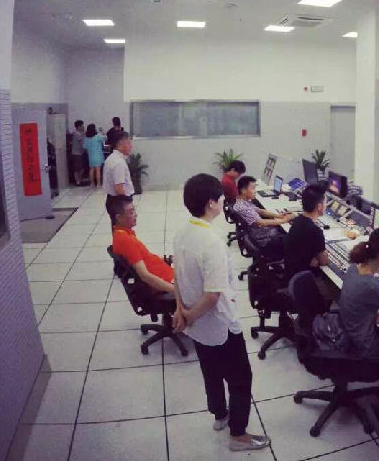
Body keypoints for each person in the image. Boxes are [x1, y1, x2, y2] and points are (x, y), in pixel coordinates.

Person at [172, 174, 270, 452]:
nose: (224, 202)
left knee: (211, 372)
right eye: (220, 198)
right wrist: (188, 316)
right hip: (219, 325)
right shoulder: (211, 242)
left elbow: (176, 277)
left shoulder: (182, 234)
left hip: (197, 325)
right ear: (210, 203)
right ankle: (238, 435)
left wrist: (181, 311)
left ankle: (220, 415)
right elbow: (213, 295)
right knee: (241, 379)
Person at [337, 227, 379, 359]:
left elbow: (360, 302)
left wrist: (372, 315)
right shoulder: (370, 285)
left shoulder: (354, 268)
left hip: (349, 332)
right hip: (365, 347)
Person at [110, 195, 174, 294]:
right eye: (131, 212)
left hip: (166, 273)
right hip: (168, 280)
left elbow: (145, 259)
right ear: (119, 218)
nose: (136, 215)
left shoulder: (121, 234)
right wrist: (175, 290)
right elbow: (145, 276)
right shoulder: (126, 240)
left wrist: (169, 259)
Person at [233, 176, 296, 259]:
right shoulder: (243, 208)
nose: (255, 191)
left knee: (285, 229)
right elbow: (261, 222)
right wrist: (285, 220)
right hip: (264, 239)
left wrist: (279, 216)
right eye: (253, 188)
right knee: (294, 237)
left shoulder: (243, 202)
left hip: (258, 234)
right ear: (243, 190)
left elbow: (260, 211)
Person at [284, 183, 328, 280]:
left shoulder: (297, 220)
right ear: (319, 206)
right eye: (325, 203)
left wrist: (315, 257)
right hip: (302, 278)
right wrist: (317, 257)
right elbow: (324, 261)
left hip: (290, 272)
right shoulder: (315, 231)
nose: (326, 205)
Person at [102, 131, 135, 223]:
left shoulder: (112, 158)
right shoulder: (118, 163)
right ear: (120, 144)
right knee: (122, 229)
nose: (131, 146)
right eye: (128, 143)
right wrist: (126, 207)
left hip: (113, 200)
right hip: (120, 202)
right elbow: (119, 189)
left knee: (117, 229)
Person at [83, 123, 106, 188]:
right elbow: (105, 138)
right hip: (98, 156)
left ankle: (92, 183)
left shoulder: (86, 138)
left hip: (90, 156)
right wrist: (102, 132)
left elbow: (84, 147)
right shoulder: (97, 137)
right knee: (98, 170)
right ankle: (98, 184)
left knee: (91, 170)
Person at [70, 119, 85, 185]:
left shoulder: (78, 133)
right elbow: (82, 144)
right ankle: (78, 181)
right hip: (77, 154)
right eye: (82, 125)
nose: (83, 127)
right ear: (79, 126)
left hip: (79, 153)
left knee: (80, 168)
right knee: (77, 169)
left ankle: (79, 180)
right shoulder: (77, 134)